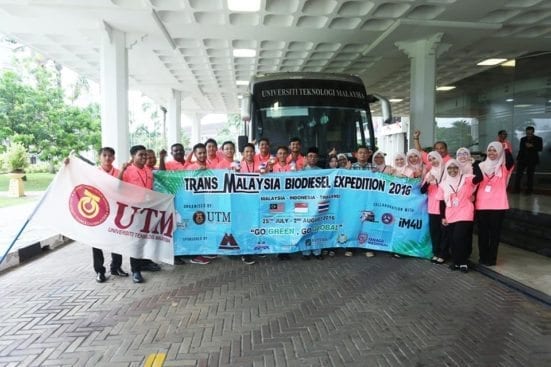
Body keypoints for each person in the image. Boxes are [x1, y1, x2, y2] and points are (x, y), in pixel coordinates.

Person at [438, 159, 482, 273]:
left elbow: (480, 178)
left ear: (459, 168)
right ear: (446, 170)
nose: (452, 170)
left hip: (465, 212)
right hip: (450, 213)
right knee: (452, 239)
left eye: (455, 167)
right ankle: (456, 262)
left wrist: (475, 164)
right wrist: (443, 217)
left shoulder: (466, 178)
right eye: (449, 168)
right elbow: (442, 202)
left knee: (459, 237)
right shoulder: (443, 184)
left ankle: (463, 262)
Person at [476, 142, 514, 266]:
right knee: (482, 233)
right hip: (482, 204)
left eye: (495, 150)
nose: (492, 153)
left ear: (500, 152)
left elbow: (510, 160)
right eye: (490, 150)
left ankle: (492, 259)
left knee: (495, 234)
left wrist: (506, 148)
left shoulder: (504, 168)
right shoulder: (480, 165)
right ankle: (483, 257)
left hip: (498, 205)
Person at [120, 145, 154, 283]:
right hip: (133, 211)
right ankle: (136, 271)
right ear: (133, 156)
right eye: (141, 155)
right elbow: (117, 186)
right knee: (135, 241)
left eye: (145, 155)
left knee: (144, 240)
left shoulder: (148, 171)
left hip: (147, 210)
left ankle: (143, 264)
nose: (144, 157)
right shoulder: (127, 171)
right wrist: (122, 170)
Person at [420, 151, 447, 264]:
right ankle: (436, 252)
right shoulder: (429, 173)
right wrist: (427, 182)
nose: (432, 161)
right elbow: (422, 191)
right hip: (432, 207)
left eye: (434, 158)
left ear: (439, 158)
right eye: (430, 160)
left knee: (444, 232)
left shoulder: (447, 171)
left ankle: (444, 254)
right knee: (434, 231)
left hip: (445, 207)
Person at [348, 145, 375, 257]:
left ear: (369, 154)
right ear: (356, 154)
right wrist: (347, 170)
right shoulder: (351, 168)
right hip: (354, 200)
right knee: (353, 222)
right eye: (360, 152)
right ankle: (350, 247)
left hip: (368, 200)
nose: (363, 155)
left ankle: (367, 247)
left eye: (365, 153)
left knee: (367, 223)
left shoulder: (374, 168)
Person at [514, 126, 543, 194]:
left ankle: (529, 190)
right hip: (522, 159)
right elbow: (521, 149)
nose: (528, 134)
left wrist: (532, 146)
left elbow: (540, 148)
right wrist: (518, 159)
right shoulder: (523, 139)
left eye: (530, 133)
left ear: (533, 132)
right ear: (526, 132)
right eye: (527, 133)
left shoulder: (538, 139)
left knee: (530, 175)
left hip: (532, 160)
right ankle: (516, 189)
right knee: (518, 175)